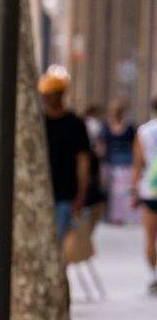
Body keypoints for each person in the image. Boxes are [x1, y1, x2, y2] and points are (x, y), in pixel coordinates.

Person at [40, 68, 92, 242]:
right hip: (40, 190)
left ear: (60, 94)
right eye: (45, 94)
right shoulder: (38, 123)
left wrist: (81, 194)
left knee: (57, 241)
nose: (48, 98)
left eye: (52, 94)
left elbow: (83, 160)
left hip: (65, 193)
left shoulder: (75, 124)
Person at [102, 97, 138, 226]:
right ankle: (114, 216)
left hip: (126, 163)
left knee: (125, 192)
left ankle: (126, 215)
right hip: (111, 163)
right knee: (112, 192)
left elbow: (135, 146)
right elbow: (103, 145)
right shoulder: (106, 128)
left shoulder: (129, 128)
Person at [134, 96, 157, 292]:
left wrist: (134, 191)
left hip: (150, 188)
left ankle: (154, 274)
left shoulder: (144, 132)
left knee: (150, 237)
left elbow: (138, 163)